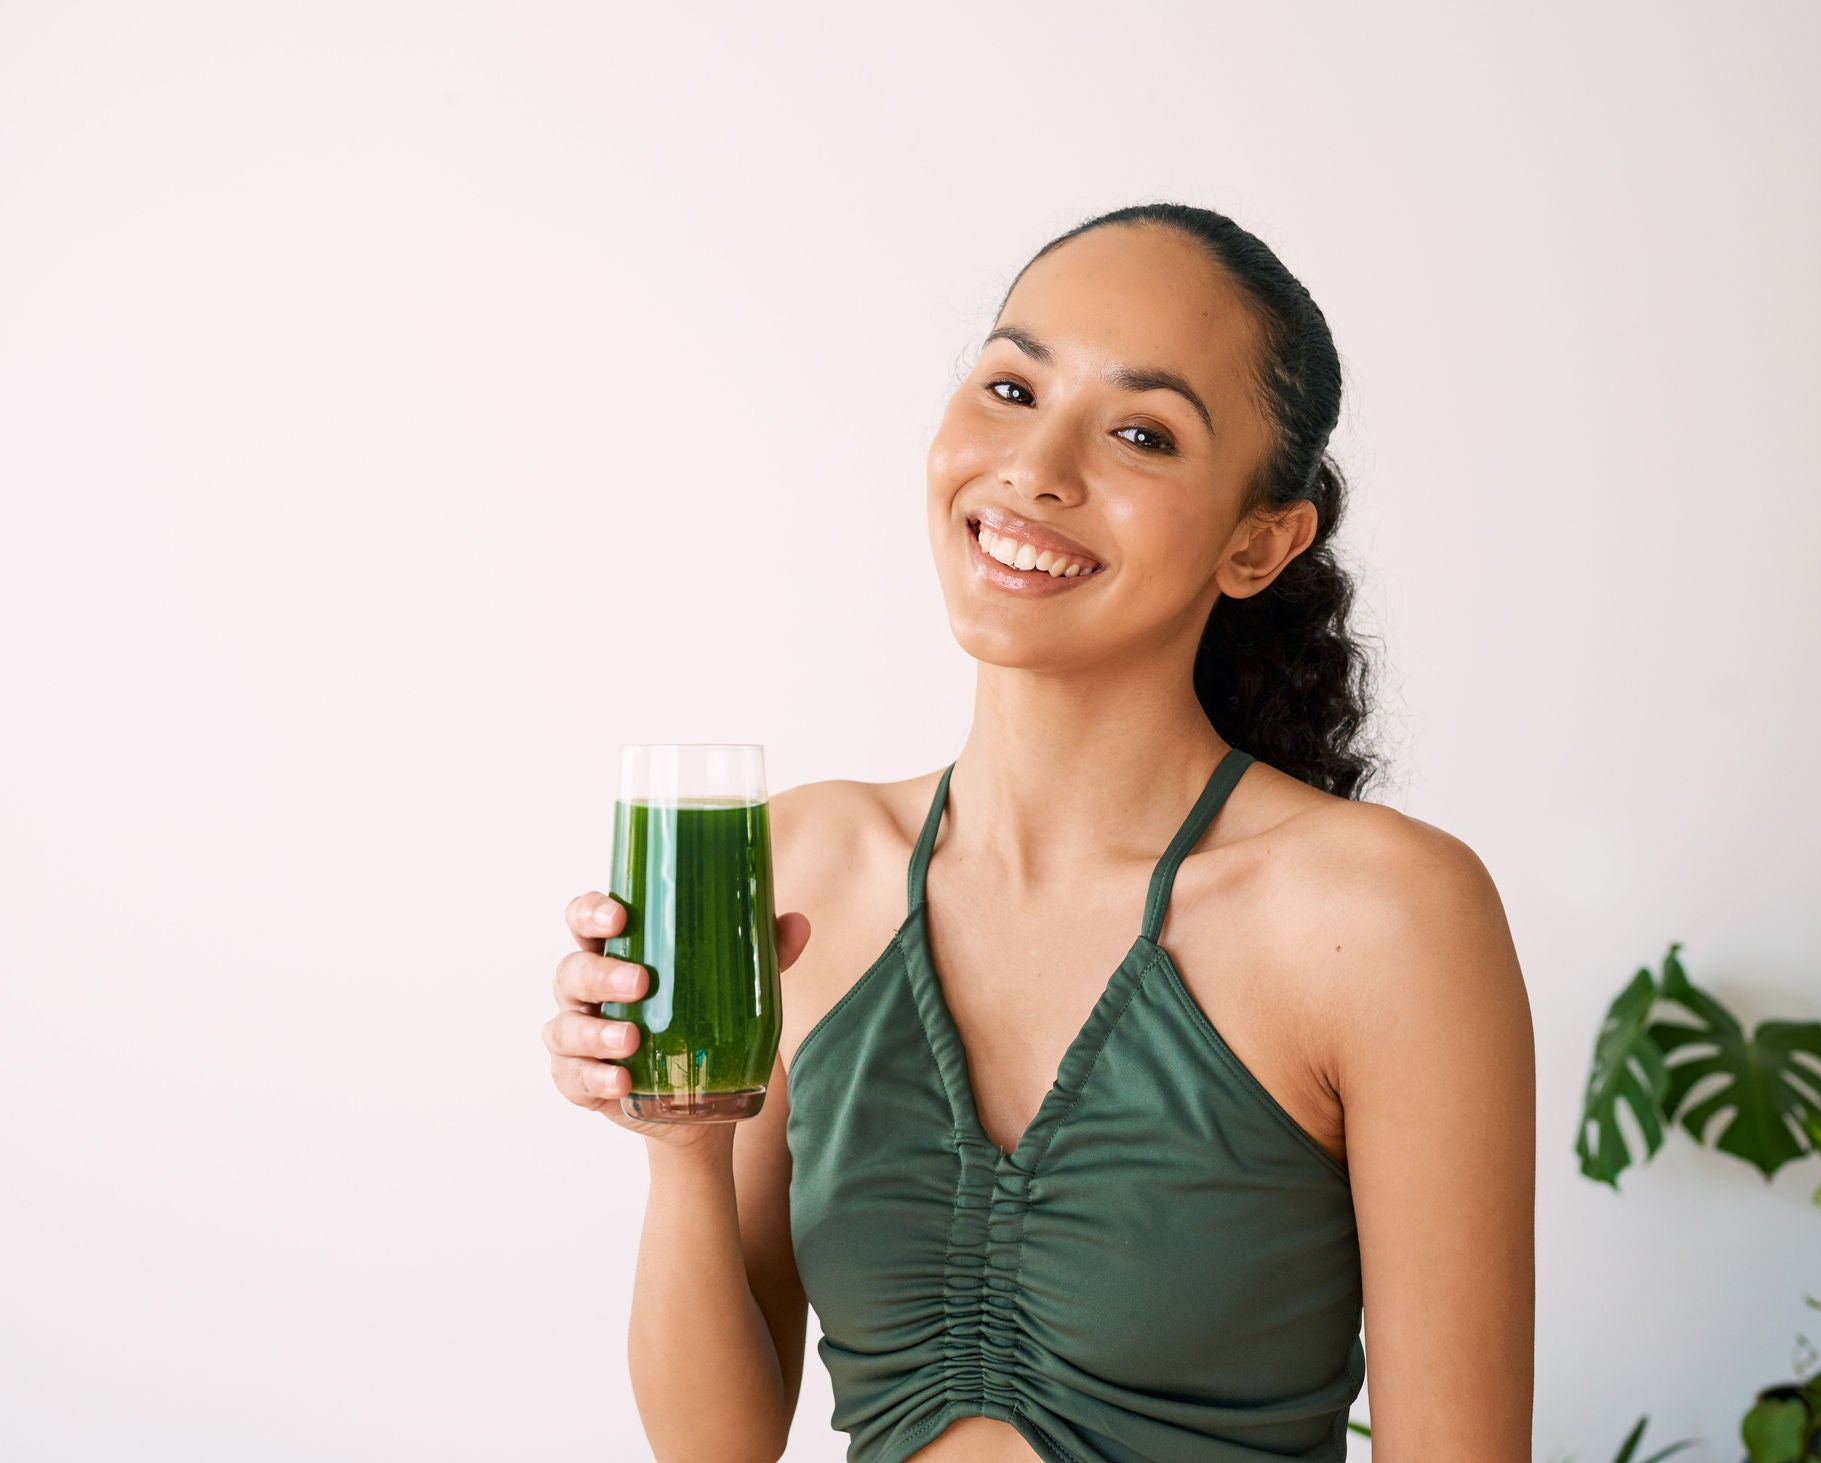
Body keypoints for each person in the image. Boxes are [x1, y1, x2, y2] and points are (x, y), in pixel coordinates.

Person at [542, 202, 1536, 1463]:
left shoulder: (1381, 915)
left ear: (1258, 542)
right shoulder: (805, 860)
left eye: (1140, 431)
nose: (1036, 467)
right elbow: (715, 1446)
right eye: (1011, 384)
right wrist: (681, 1146)